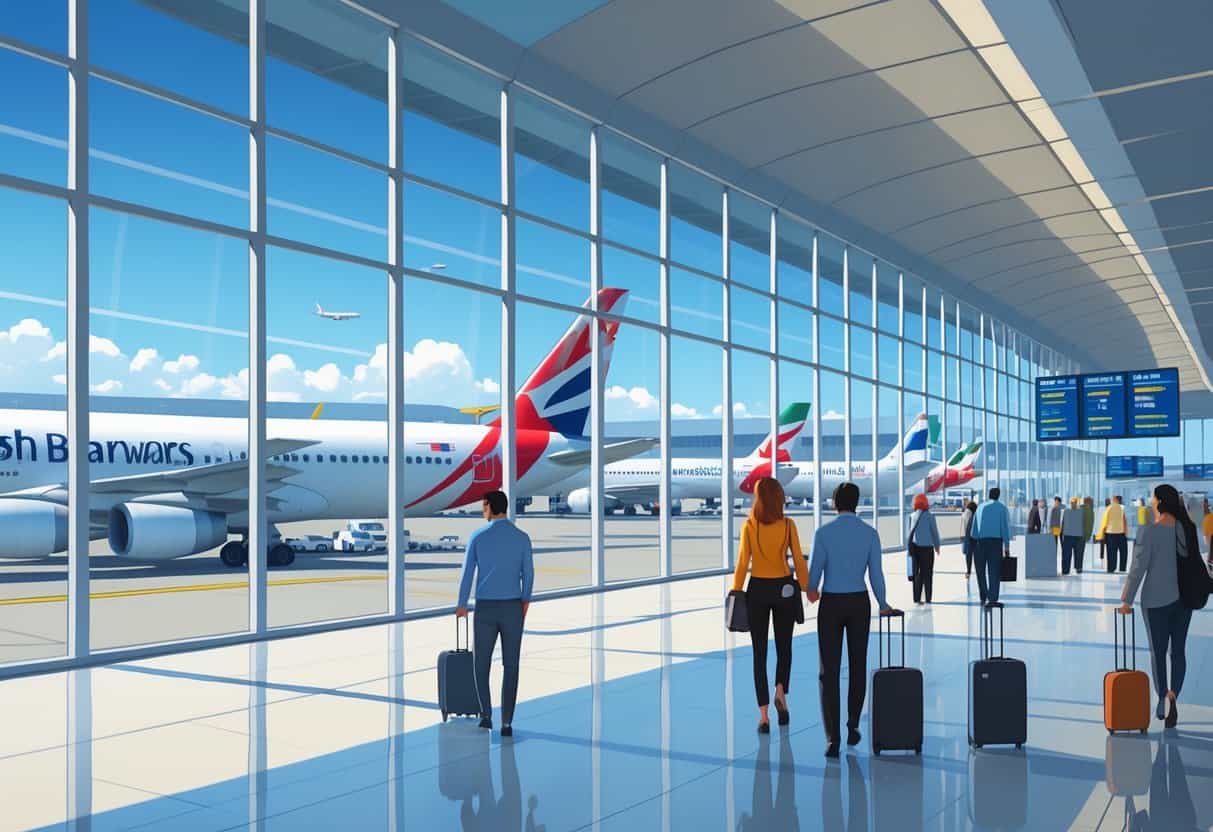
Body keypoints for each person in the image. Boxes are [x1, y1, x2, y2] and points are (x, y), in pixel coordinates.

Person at [806, 482, 897, 759]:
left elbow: (813, 577)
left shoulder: (823, 533)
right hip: (859, 602)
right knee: (858, 665)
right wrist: (883, 603)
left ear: (835, 503)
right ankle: (853, 724)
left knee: (829, 672)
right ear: (857, 503)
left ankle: (832, 738)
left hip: (831, 604)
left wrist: (812, 591)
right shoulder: (870, 534)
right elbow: (876, 575)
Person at [731, 477, 808, 734]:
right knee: (784, 647)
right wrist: (808, 587)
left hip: (758, 591)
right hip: (784, 588)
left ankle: (763, 716)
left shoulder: (749, 526)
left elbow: (743, 562)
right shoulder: (788, 525)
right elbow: (797, 558)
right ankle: (780, 692)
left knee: (759, 652)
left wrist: (736, 590)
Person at [456, 490, 535, 737]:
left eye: (483, 506)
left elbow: (468, 573)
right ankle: (507, 723)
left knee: (481, 663)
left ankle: (486, 716)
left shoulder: (478, 536)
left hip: (486, 608)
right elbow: (529, 574)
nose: (482, 510)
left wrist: (461, 604)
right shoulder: (522, 538)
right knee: (511, 665)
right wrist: (525, 601)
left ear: (490, 507)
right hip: (513, 606)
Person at [1119, 484, 1196, 728]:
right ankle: (1174, 695)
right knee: (1179, 651)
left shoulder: (1148, 532)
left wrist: (1126, 600)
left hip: (1155, 601)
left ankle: (1162, 696)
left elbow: (1138, 568)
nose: (1151, 501)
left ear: (1160, 501)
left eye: (1153, 498)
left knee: (1158, 652)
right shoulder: (1187, 530)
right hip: (1184, 601)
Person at [970, 487, 1011, 607]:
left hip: (980, 543)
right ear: (998, 496)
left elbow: (974, 530)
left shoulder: (980, 507)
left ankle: (983, 594)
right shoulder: (1002, 508)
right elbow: (1004, 528)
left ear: (989, 495)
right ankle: (992, 597)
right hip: (995, 543)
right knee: (994, 571)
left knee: (980, 571)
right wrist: (1006, 546)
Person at [907, 494, 941, 604]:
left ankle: (916, 598)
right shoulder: (930, 516)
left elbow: (909, 533)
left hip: (915, 548)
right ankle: (928, 598)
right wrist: (937, 546)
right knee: (928, 573)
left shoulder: (912, 516)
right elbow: (934, 533)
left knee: (916, 573)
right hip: (927, 549)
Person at [1099, 495, 1129, 573]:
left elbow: (1104, 521)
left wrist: (1102, 532)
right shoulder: (1122, 507)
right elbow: (1125, 520)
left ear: (1114, 500)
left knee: (1111, 552)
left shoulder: (1108, 508)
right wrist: (1126, 533)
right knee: (1123, 552)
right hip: (1121, 532)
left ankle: (1111, 568)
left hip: (1110, 532)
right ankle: (1122, 568)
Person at [1060, 496, 1085, 575]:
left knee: (1067, 554)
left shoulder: (1066, 511)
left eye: (1073, 502)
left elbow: (1063, 523)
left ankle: (1066, 570)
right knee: (1077, 554)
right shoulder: (1081, 511)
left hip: (1070, 536)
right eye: (1072, 502)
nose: (1072, 504)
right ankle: (1078, 568)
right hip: (1076, 535)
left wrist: (1062, 534)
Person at [961, 500, 979, 579]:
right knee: (976, 555)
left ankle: (968, 571)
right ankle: (978, 571)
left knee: (968, 556)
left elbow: (964, 526)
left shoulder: (965, 513)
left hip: (967, 537)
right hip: (973, 537)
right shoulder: (973, 514)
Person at [1082, 496, 1095, 565]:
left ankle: (1078, 566)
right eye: (1092, 502)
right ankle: (1079, 567)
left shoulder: (1080, 508)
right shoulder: (1090, 511)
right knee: (1081, 552)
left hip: (1076, 534)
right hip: (1084, 535)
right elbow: (1090, 525)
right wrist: (1088, 536)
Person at [1099, 497, 1111, 562]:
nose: (1107, 503)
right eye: (1107, 501)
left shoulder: (1110, 509)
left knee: (1108, 544)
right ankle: (1102, 556)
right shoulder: (1103, 509)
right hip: (1104, 529)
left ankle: (1104, 556)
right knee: (1102, 543)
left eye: (1108, 501)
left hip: (1108, 529)